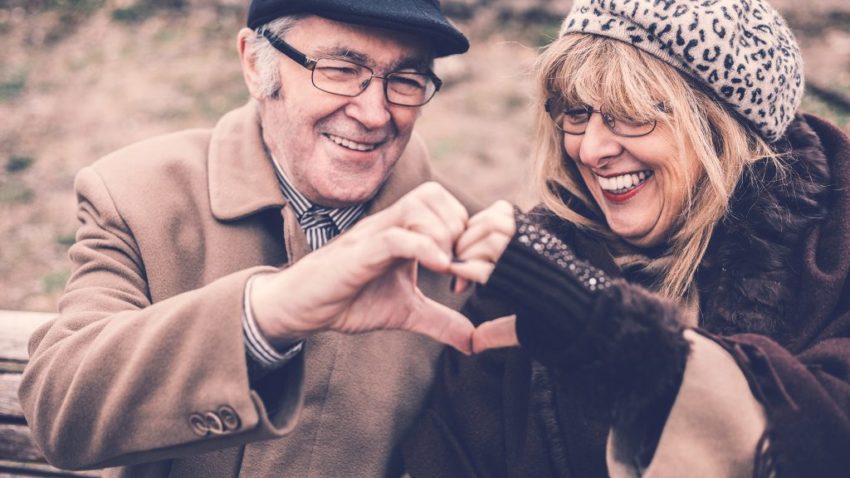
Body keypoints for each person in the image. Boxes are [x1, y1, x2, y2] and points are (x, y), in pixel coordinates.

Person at [18, 0, 476, 476]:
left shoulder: (468, 244)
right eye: (341, 69)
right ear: (256, 64)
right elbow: (62, 415)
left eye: (405, 79)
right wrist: (267, 314)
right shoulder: (134, 195)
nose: (375, 114)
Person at [404, 0, 850, 476]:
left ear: (724, 127)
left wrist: (610, 331)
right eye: (576, 113)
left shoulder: (831, 250)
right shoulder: (532, 271)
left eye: (631, 113)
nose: (591, 149)